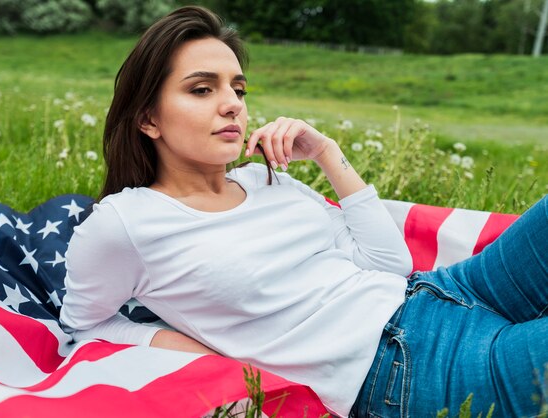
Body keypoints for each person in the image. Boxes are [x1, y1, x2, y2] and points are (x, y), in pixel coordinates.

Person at [59, 6, 548, 417]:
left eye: (239, 89)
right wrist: (195, 355)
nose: (232, 105)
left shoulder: (266, 178)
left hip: (444, 291)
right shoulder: (126, 222)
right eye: (202, 89)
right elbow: (84, 325)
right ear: (148, 118)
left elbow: (390, 265)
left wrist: (327, 153)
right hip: (407, 369)